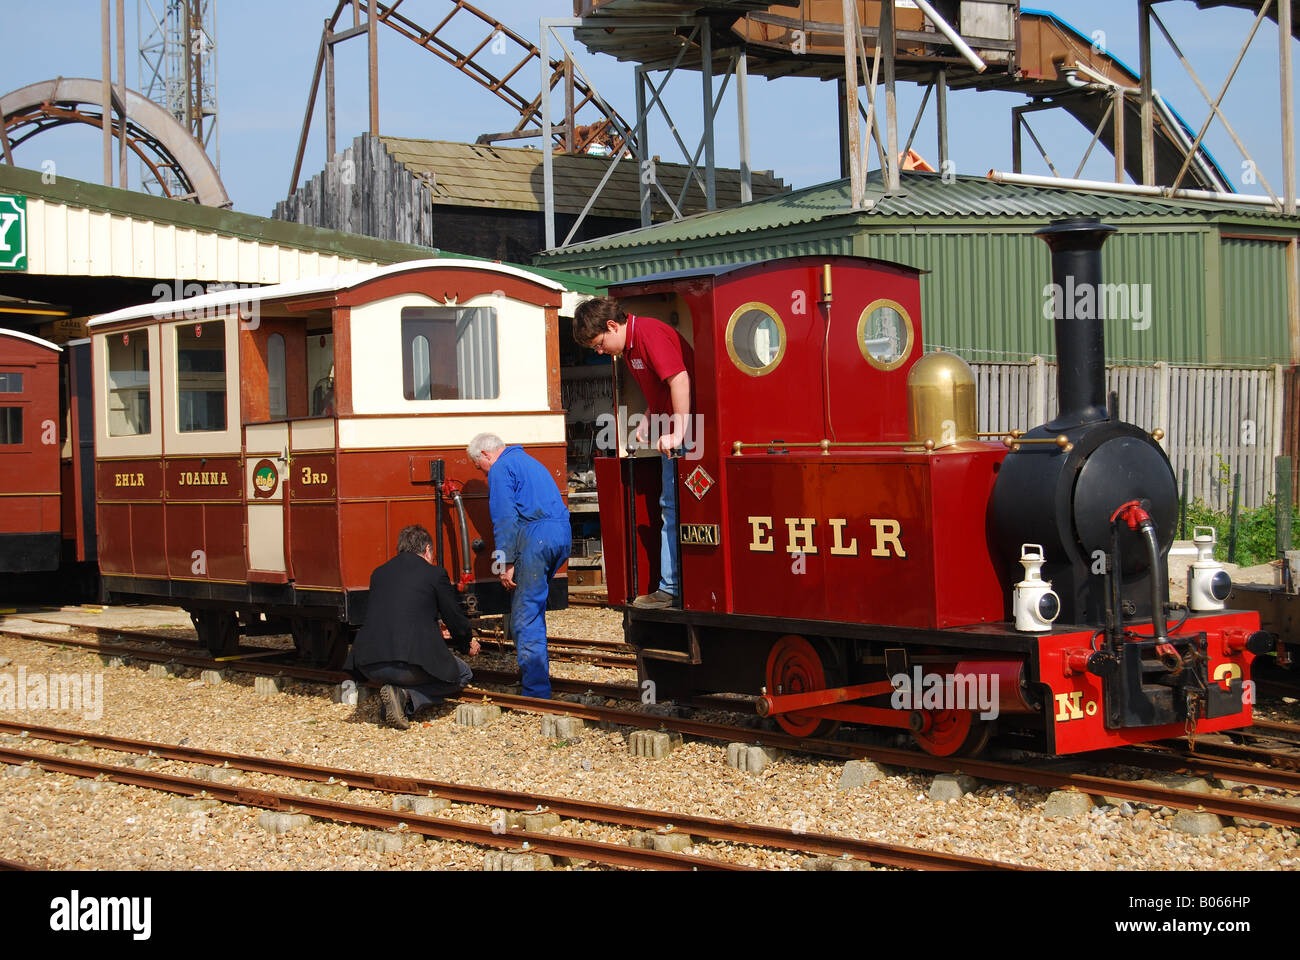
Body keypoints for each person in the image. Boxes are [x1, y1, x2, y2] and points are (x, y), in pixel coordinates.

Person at [573, 296, 694, 609]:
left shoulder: (649, 335)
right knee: (670, 506)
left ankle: (673, 588)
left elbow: (680, 379)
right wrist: (650, 416)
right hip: (678, 429)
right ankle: (672, 586)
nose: (600, 351)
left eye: (599, 343)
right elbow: (661, 387)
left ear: (612, 326)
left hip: (695, 429)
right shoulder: (629, 348)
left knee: (675, 507)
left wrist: (679, 431)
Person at [344, 524, 480, 729]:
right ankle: (407, 697)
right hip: (408, 668)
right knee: (462, 674)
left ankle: (395, 693)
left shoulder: (378, 574)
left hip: (369, 666)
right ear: (427, 550)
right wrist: (466, 642)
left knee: (410, 666)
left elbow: (397, 614)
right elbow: (454, 617)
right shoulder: (435, 574)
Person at [468, 432, 570, 699]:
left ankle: (536, 692)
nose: (484, 474)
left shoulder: (501, 468)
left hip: (535, 539)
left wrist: (505, 562)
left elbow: (504, 519)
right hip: (561, 535)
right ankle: (539, 680)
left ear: (486, 455)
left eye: (480, 468)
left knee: (526, 617)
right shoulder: (530, 462)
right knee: (535, 608)